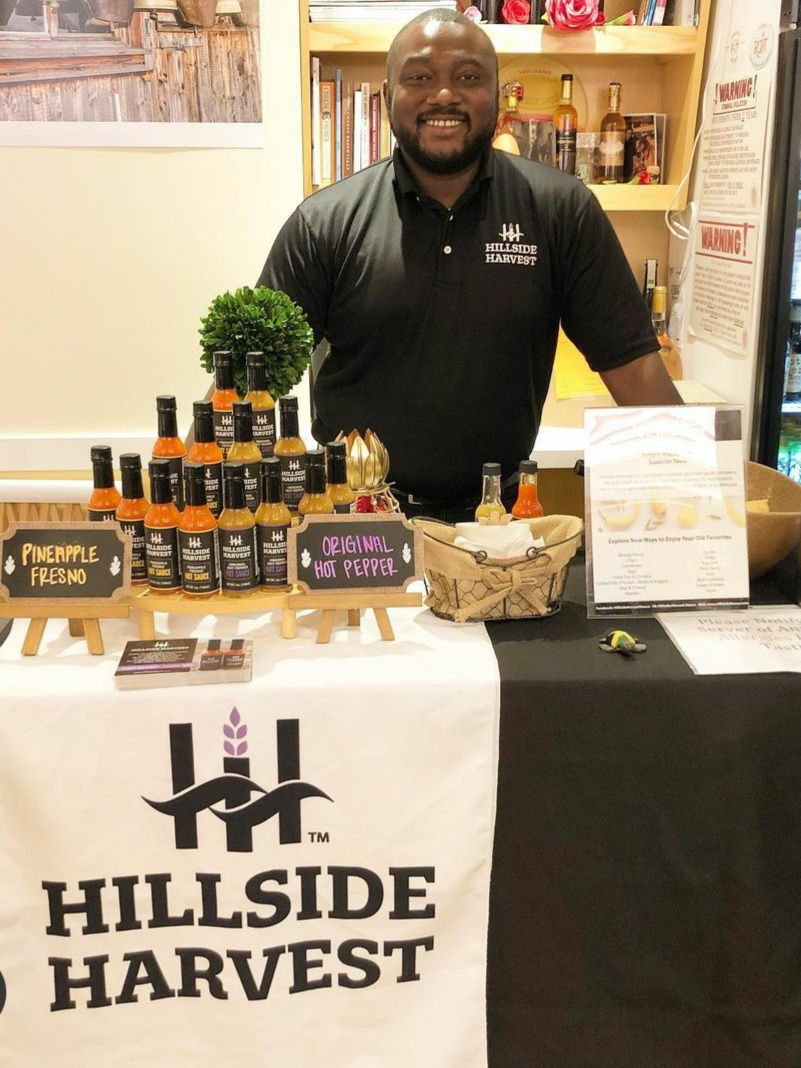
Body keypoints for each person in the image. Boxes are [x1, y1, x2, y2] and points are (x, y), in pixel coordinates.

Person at [258, 9, 681, 523]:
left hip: (498, 522)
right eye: (419, 77)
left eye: (468, 77)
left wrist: (704, 512)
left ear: (499, 96)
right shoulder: (323, 223)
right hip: (355, 526)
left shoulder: (561, 210)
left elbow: (635, 367)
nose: (443, 95)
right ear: (388, 92)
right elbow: (247, 380)